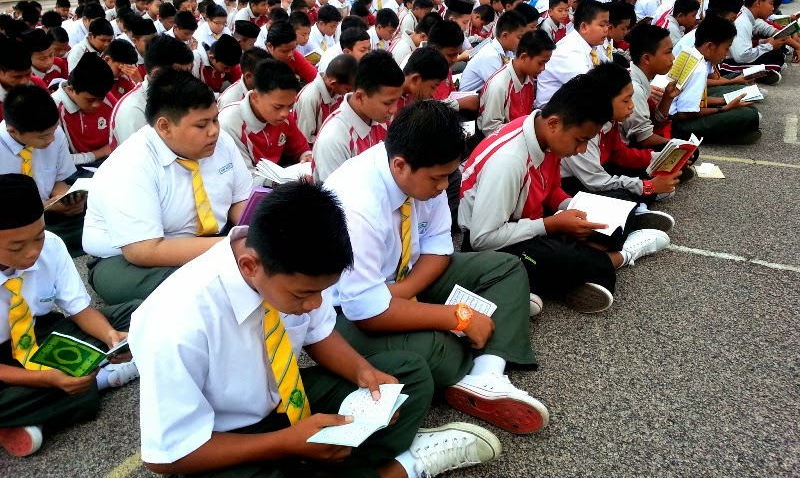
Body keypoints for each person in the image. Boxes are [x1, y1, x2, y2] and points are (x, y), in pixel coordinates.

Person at [130, 180, 500, 478]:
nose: (316, 304)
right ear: (249, 267)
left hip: (285, 398)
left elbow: (319, 333)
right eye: (304, 294)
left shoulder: (290, 272)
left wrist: (363, 372)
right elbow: (168, 456)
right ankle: (402, 467)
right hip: (224, 437)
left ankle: (334, 463)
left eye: (322, 292)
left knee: (409, 377)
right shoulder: (177, 323)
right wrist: (286, 442)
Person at [325, 101, 547, 434]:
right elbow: (367, 314)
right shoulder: (357, 205)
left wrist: (404, 293)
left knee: (508, 267)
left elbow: (439, 249)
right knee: (437, 356)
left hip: (401, 283)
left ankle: (486, 375)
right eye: (438, 178)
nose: (445, 186)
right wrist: (459, 316)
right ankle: (493, 334)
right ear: (400, 165)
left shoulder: (423, 176)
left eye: (449, 175)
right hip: (347, 316)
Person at [459, 77, 670, 315]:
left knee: (614, 209)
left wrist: (576, 208)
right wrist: (552, 225)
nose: (580, 150)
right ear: (554, 124)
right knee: (564, 259)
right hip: (491, 245)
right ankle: (622, 255)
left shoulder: (544, 136)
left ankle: (546, 282)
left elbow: (550, 191)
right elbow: (482, 238)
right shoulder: (509, 162)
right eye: (580, 140)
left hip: (525, 222)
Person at [0, 174, 139, 458]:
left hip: (37, 336)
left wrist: (110, 336)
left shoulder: (51, 245)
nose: (33, 252)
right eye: (17, 246)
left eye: (38, 236)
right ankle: (95, 382)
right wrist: (50, 379)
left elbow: (79, 309)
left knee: (137, 313)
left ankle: (38, 410)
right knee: (79, 391)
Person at [84, 71, 252, 305]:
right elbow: (143, 250)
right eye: (202, 124)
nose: (214, 130)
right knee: (205, 290)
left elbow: (239, 201)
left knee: (261, 266)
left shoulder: (221, 143)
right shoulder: (131, 164)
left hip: (210, 240)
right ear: (164, 127)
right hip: (129, 261)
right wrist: (234, 246)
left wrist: (260, 230)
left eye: (215, 120)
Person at [560, 64, 681, 210]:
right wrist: (648, 187)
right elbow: (597, 182)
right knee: (622, 196)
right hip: (572, 183)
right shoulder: (584, 130)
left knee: (640, 175)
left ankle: (638, 206)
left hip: (595, 173)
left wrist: (661, 158)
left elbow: (620, 154)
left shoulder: (610, 121)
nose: (632, 106)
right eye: (626, 100)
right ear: (605, 101)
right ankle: (636, 210)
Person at [0, 86, 85, 257]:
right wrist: (49, 207)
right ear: (13, 131)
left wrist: (67, 198)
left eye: (53, 132)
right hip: (15, 225)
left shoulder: (52, 132)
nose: (51, 140)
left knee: (96, 220)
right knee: (31, 242)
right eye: (43, 137)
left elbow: (58, 179)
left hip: (53, 213)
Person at [312, 50, 403, 183]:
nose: (394, 109)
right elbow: (336, 198)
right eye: (388, 102)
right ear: (360, 97)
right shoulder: (333, 139)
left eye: (397, 100)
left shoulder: (380, 120)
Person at [670, 14, 762, 144]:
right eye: (726, 48)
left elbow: (695, 101)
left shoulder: (691, 53)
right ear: (709, 47)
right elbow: (684, 113)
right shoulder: (699, 68)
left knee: (745, 105)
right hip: (677, 125)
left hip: (678, 114)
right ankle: (724, 136)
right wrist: (723, 108)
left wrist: (726, 101)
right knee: (749, 115)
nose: (727, 53)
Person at [219, 58, 311, 182]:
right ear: (255, 97)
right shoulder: (230, 123)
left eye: (290, 106)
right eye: (277, 107)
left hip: (279, 177)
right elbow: (244, 179)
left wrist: (306, 157)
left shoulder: (283, 116)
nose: (285, 113)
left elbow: (300, 148)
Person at [109, 35, 195, 149]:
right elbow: (139, 159)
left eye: (190, 72)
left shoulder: (178, 94)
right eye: (182, 74)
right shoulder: (133, 110)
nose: (188, 80)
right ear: (157, 74)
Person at [478, 30, 555, 137]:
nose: (543, 68)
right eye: (540, 63)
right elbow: (490, 129)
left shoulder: (528, 77)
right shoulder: (499, 85)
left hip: (521, 133)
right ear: (524, 57)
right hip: (502, 141)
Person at [535, 0, 610, 108]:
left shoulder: (593, 44)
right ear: (584, 27)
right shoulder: (567, 51)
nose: (606, 29)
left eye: (607, 24)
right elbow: (590, 89)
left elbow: (608, 72)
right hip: (555, 113)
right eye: (602, 25)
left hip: (575, 105)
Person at [51, 53, 116, 167]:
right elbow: (58, 162)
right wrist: (101, 152)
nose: (97, 105)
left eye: (101, 99)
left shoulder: (106, 98)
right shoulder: (53, 108)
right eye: (90, 100)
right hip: (77, 169)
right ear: (71, 90)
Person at [623, 24, 677, 147]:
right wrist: (680, 146)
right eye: (668, 52)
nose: (672, 58)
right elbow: (643, 139)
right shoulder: (633, 89)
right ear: (647, 58)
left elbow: (654, 120)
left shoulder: (638, 77)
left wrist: (668, 97)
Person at [723, 0, 789, 84]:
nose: (772, 8)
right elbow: (741, 56)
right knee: (776, 61)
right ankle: (753, 75)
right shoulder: (743, 22)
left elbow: (765, 29)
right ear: (758, 3)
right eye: (771, 3)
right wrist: (769, 46)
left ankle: (761, 72)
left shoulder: (748, 15)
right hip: (724, 62)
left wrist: (765, 43)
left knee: (777, 53)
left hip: (735, 54)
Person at [294, 54, 357, 145]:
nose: (350, 93)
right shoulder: (309, 98)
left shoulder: (337, 91)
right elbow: (305, 138)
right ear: (333, 83)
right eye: (347, 89)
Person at [459, 11, 526, 94]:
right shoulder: (490, 55)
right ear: (505, 35)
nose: (522, 41)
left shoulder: (507, 51)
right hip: (469, 102)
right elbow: (501, 89)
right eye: (519, 37)